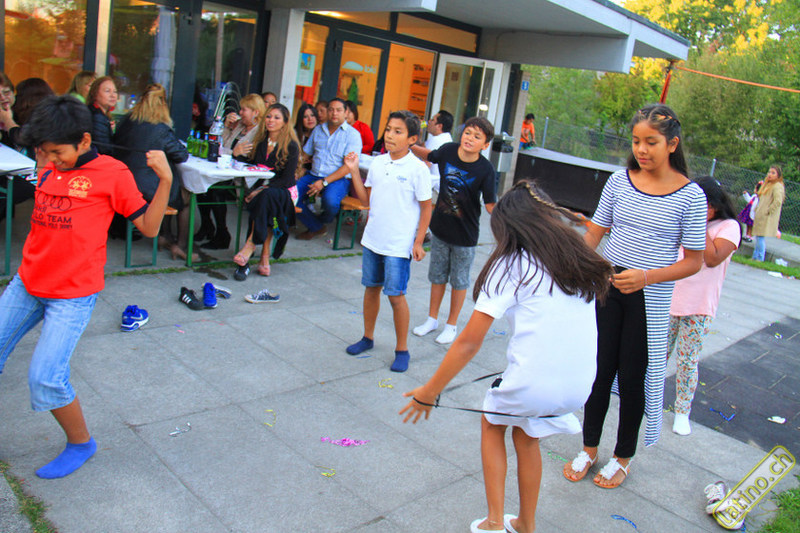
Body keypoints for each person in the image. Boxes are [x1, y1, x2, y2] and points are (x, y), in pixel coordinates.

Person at [400, 180, 613, 533]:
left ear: (509, 227)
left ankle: (494, 522)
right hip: (579, 386)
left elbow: (469, 343)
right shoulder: (577, 257)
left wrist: (429, 391)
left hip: (536, 383)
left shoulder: (514, 262)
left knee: (493, 422)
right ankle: (526, 523)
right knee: (526, 434)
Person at [0, 95, 173, 479]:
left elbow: (149, 227)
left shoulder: (113, 173)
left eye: (56, 153)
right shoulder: (49, 160)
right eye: (43, 152)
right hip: (28, 282)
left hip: (72, 294)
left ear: (83, 141)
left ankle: (81, 443)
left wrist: (165, 180)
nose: (49, 160)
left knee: (46, 377)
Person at [563, 104, 706, 489]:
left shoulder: (690, 196)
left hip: (649, 301)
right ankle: (589, 448)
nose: (641, 149)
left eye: (651, 142)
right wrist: (574, 265)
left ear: (672, 144)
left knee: (631, 380)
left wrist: (646, 277)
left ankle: (623, 457)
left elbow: (694, 261)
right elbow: (595, 232)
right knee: (597, 372)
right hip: (607, 289)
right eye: (636, 141)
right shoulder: (618, 181)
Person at [342, 111, 432, 372]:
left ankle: (402, 350)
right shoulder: (378, 163)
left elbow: (426, 208)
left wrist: (418, 242)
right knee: (371, 288)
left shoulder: (418, 169)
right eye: (388, 129)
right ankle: (367, 337)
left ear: (412, 139)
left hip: (398, 246)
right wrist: (353, 171)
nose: (390, 135)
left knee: (395, 296)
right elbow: (366, 201)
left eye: (398, 131)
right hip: (373, 239)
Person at [411, 117, 497, 345]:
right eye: (468, 133)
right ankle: (432, 319)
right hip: (440, 229)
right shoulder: (448, 151)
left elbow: (491, 204)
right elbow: (430, 155)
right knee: (437, 276)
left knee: (459, 281)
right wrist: (408, 144)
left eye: (477, 137)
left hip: (465, 236)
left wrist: (510, 218)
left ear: (485, 144)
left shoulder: (486, 169)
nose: (470, 138)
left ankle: (451, 325)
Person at [668, 177, 741, 436]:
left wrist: (698, 221)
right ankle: (646, 399)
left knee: (687, 361)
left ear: (717, 204)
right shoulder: (685, 221)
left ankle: (682, 412)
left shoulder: (729, 227)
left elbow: (712, 258)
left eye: (705, 205)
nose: (701, 209)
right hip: (669, 298)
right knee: (655, 355)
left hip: (699, 306)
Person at [113, 83, 192, 260]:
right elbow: (181, 155)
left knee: (167, 187)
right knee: (185, 197)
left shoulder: (126, 121)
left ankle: (165, 235)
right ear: (163, 104)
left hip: (125, 180)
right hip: (146, 186)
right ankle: (180, 246)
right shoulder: (160, 129)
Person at [232, 103, 300, 279]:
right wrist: (236, 153)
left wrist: (260, 189)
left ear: (285, 122)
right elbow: (252, 164)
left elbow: (287, 180)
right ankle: (264, 257)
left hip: (285, 191)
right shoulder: (261, 141)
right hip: (266, 192)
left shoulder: (291, 146)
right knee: (267, 202)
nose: (271, 120)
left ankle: (250, 245)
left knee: (266, 198)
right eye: (268, 116)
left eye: (277, 117)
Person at [194, 93, 267, 249]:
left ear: (255, 112)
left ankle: (222, 234)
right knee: (201, 186)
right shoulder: (240, 126)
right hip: (227, 170)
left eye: (244, 110)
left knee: (215, 190)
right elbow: (219, 146)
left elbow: (244, 155)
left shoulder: (258, 132)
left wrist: (232, 152)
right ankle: (207, 226)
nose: (240, 113)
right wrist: (226, 127)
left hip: (243, 179)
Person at [295, 97, 362, 240]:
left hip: (338, 179)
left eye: (338, 110)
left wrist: (324, 182)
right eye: (331, 110)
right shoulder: (318, 130)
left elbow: (348, 167)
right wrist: (297, 169)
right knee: (290, 196)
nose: (334, 113)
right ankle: (317, 226)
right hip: (313, 175)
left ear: (346, 113)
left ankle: (321, 221)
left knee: (330, 201)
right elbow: (306, 153)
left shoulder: (353, 135)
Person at [0, 77, 54, 220]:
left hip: (36, 175)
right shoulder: (17, 114)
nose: (3, 98)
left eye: (7, 92)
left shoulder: (41, 117)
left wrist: (7, 120)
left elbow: (22, 138)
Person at [751, 165, 785, 262]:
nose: (770, 174)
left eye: (773, 173)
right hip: (760, 214)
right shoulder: (767, 184)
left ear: (778, 175)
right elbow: (761, 198)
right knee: (758, 236)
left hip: (766, 216)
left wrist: (768, 210)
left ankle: (759, 258)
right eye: (769, 172)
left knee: (760, 237)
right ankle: (755, 256)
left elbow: (778, 201)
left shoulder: (777, 186)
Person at [417, 110, 453, 194]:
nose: (429, 121)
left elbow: (426, 162)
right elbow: (421, 147)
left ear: (439, 126)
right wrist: (419, 134)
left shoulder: (437, 140)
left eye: (432, 120)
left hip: (434, 187)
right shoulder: (445, 138)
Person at [86, 76, 118, 155]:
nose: (113, 95)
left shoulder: (100, 115)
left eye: (115, 92)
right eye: (107, 91)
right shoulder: (97, 117)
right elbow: (103, 149)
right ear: (95, 94)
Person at [294, 102, 318, 175]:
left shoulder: (321, 134)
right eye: (305, 117)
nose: (310, 119)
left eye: (312, 115)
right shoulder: (295, 134)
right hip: (297, 168)